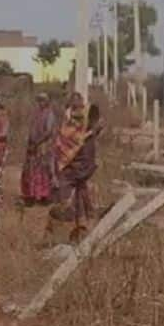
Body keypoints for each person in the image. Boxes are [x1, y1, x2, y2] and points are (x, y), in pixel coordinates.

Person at [53, 94, 105, 239]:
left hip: (83, 160)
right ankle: (80, 223)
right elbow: (65, 139)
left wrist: (93, 132)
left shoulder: (87, 114)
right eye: (75, 104)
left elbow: (95, 128)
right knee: (78, 191)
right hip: (72, 160)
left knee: (77, 189)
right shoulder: (69, 119)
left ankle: (82, 222)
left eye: (79, 104)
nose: (78, 107)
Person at [21, 93, 57, 205]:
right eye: (39, 100)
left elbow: (49, 131)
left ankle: (44, 195)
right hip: (34, 146)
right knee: (31, 170)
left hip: (43, 146)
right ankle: (31, 194)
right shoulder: (35, 114)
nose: (41, 102)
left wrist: (38, 142)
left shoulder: (49, 114)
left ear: (47, 102)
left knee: (44, 171)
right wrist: (31, 143)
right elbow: (31, 129)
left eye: (43, 100)